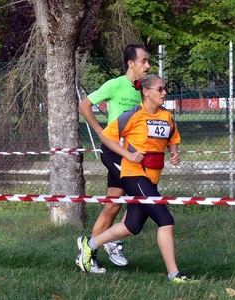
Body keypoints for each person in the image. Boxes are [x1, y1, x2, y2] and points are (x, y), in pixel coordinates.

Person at [77, 74, 196, 283]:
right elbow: (106, 136)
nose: (164, 93)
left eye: (164, 89)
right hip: (133, 172)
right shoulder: (132, 115)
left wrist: (174, 152)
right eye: (160, 89)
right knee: (165, 220)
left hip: (151, 176)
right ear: (146, 92)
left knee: (132, 226)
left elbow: (172, 138)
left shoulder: (167, 116)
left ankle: (89, 244)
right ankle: (174, 274)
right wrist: (128, 155)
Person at [76, 44, 151, 273]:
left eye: (148, 61)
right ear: (131, 63)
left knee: (111, 206)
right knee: (142, 195)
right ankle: (110, 240)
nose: (148, 66)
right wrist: (100, 131)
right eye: (144, 61)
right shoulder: (115, 84)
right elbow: (84, 105)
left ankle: (87, 253)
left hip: (132, 153)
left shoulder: (142, 90)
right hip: (115, 152)